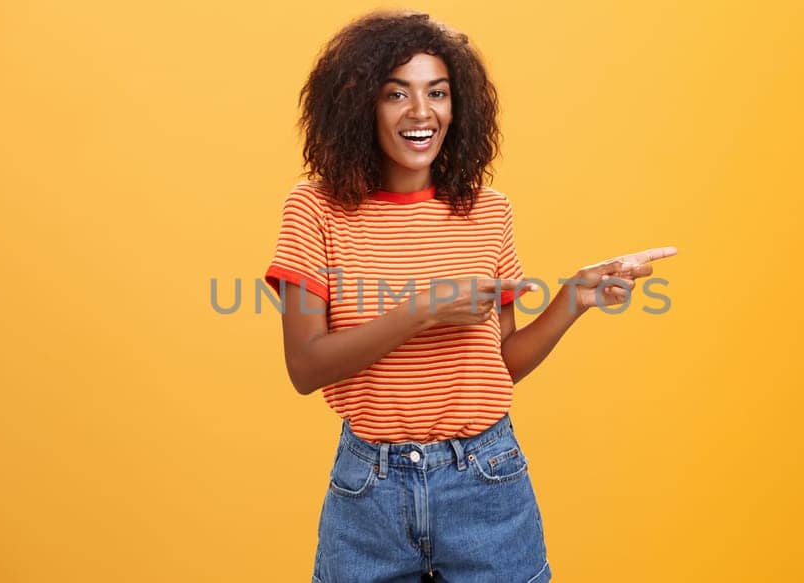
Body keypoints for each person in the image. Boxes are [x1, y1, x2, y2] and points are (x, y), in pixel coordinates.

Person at [266, 10, 676, 582]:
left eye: (437, 93)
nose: (421, 113)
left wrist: (573, 299)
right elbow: (305, 367)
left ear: (457, 108)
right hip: (368, 493)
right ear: (362, 107)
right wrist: (426, 309)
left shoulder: (488, 212)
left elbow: (500, 364)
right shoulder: (315, 210)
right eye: (396, 94)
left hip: (487, 479)